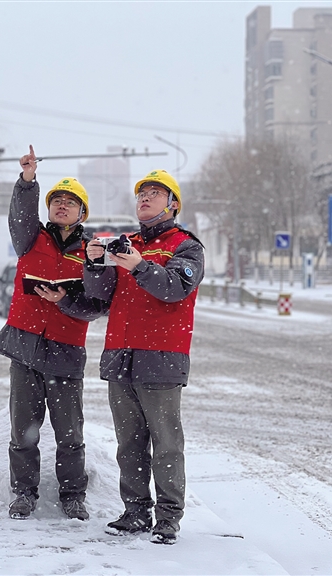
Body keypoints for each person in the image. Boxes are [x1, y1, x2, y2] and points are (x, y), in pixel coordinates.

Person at [76, 169, 205, 545]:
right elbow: (101, 296)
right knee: (129, 444)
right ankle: (135, 512)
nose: (144, 198)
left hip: (162, 357)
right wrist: (95, 263)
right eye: (141, 193)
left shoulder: (186, 247)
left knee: (166, 443)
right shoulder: (126, 244)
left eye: (154, 193)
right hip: (121, 356)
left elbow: (175, 288)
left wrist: (138, 265)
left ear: (173, 204)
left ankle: (168, 518)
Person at [0, 145, 105, 522]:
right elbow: (20, 215)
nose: (62, 205)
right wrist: (28, 180)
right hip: (25, 347)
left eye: (70, 202)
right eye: (56, 200)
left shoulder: (91, 252)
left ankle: (73, 496)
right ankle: (23, 494)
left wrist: (65, 300)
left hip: (66, 352)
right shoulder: (31, 238)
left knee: (70, 434)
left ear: (82, 212)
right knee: (23, 432)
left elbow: (98, 305)